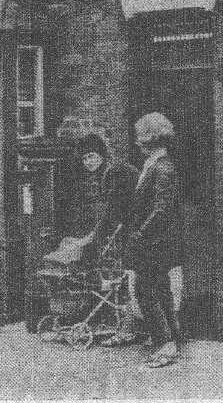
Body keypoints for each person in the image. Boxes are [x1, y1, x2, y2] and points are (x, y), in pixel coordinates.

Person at [74, 132, 140, 346]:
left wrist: (96, 239)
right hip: (128, 230)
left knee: (128, 281)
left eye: (93, 156)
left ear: (102, 156)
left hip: (133, 232)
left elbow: (113, 211)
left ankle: (128, 330)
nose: (89, 162)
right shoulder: (107, 173)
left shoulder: (114, 174)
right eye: (85, 158)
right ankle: (127, 327)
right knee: (126, 281)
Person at [128, 112, 182, 369]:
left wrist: (141, 233)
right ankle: (173, 338)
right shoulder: (154, 164)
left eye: (141, 136)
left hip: (155, 243)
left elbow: (162, 210)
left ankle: (164, 344)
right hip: (155, 241)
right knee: (161, 290)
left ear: (150, 139)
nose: (137, 141)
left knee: (145, 291)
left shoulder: (162, 167)